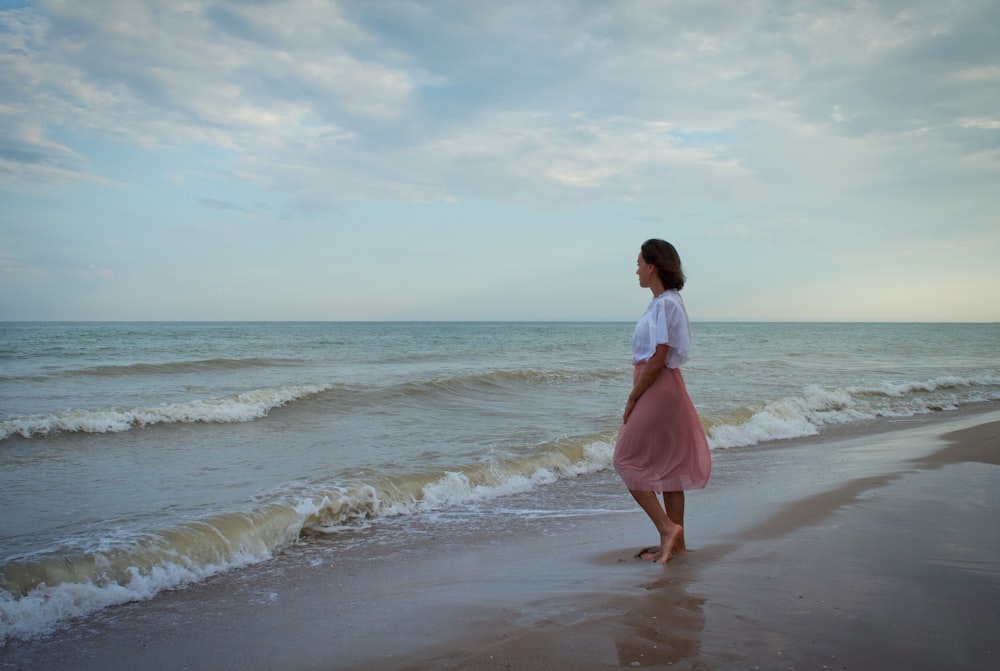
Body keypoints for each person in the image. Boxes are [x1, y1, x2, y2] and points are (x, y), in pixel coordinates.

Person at [614, 239, 711, 564]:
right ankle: (677, 545)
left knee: (624, 459)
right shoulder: (661, 303)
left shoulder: (667, 303)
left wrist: (632, 397)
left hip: (657, 384)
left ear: (653, 266)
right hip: (660, 384)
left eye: (639, 263)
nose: (636, 269)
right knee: (668, 466)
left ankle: (668, 529)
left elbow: (658, 358)